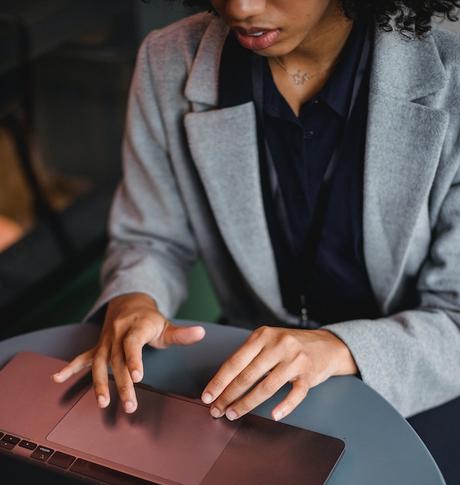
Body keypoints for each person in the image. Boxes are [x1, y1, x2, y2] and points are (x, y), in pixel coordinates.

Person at [52, 0, 460, 429]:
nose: (240, 7)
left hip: (412, 385)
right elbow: (151, 239)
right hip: (247, 373)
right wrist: (135, 296)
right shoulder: (168, 60)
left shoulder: (453, 84)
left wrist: (340, 347)